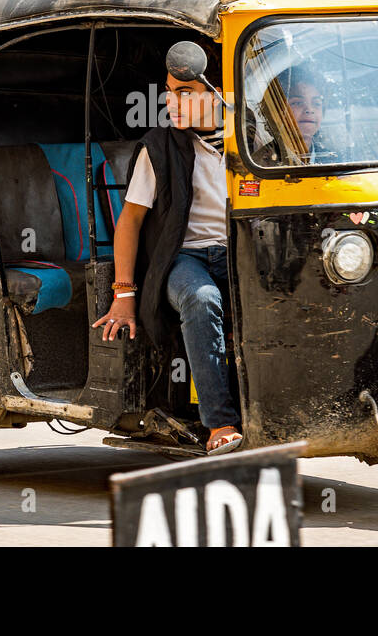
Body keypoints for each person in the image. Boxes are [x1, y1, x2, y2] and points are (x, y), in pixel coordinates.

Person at [91, 42, 243, 455]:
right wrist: (123, 293)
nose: (169, 101)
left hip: (240, 258)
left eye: (184, 92)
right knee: (201, 298)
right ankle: (220, 423)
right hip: (183, 260)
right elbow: (130, 222)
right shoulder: (158, 148)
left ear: (219, 96)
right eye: (168, 91)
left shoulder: (250, 146)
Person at [254, 66, 335, 166]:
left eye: (316, 103)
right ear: (276, 112)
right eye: (297, 103)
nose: (309, 110)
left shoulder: (332, 159)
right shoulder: (260, 165)